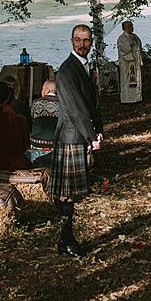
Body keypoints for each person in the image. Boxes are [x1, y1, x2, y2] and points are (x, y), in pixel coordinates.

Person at [47, 24, 103, 258]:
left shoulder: (82, 66)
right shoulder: (67, 70)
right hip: (71, 136)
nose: (82, 45)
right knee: (67, 192)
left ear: (91, 41)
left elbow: (91, 103)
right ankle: (66, 241)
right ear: (71, 41)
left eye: (86, 40)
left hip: (78, 135)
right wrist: (91, 136)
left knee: (69, 192)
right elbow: (76, 109)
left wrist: (98, 130)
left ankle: (65, 239)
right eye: (78, 40)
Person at [117, 20, 143, 103]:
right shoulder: (122, 38)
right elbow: (123, 50)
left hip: (135, 62)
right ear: (124, 28)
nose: (131, 28)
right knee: (127, 80)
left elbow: (139, 48)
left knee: (137, 79)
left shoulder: (135, 36)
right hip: (127, 63)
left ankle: (137, 97)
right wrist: (130, 45)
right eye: (129, 26)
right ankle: (127, 99)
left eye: (132, 26)